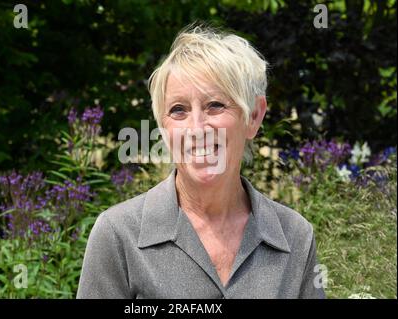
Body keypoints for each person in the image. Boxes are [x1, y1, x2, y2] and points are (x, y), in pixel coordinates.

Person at [77, 23, 325, 299]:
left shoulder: (295, 236)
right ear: (163, 128)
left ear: (253, 116)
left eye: (215, 105)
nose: (196, 129)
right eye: (178, 110)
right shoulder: (118, 234)